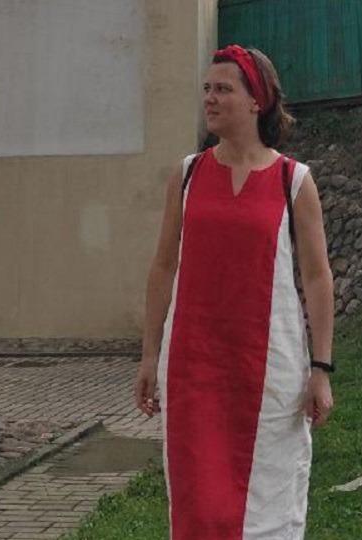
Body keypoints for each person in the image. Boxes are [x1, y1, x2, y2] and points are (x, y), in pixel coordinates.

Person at [133, 44, 336, 540]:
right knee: (198, 506)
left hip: (269, 372)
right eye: (207, 88)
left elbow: (317, 277)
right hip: (194, 370)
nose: (210, 98)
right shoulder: (187, 175)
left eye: (223, 89)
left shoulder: (293, 181)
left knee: (270, 500)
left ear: (255, 101)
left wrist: (321, 369)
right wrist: (149, 355)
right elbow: (163, 267)